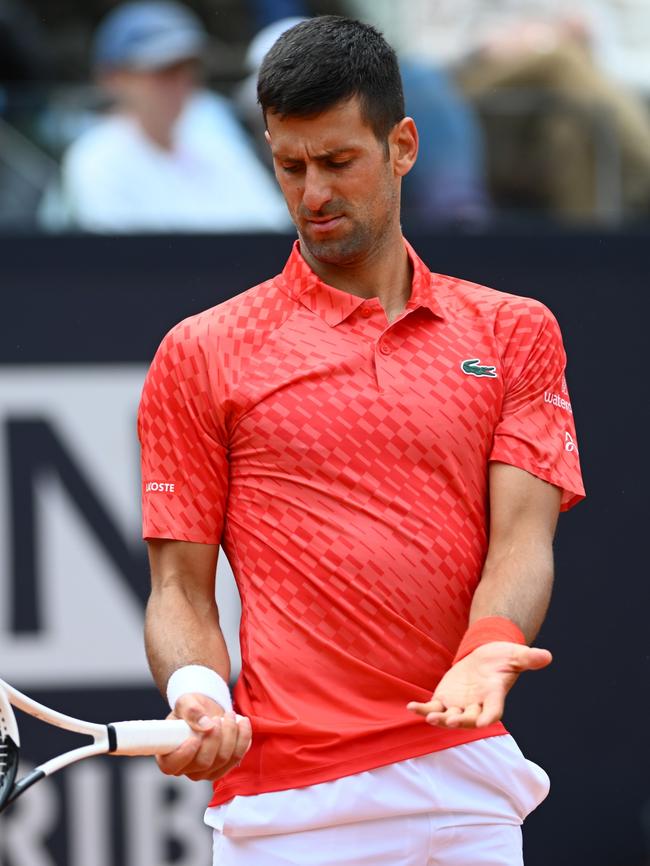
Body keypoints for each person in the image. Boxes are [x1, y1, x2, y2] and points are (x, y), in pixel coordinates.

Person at [138, 16, 585, 866]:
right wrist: (195, 691)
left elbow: (523, 538)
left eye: (339, 162)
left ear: (403, 146)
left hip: (463, 784)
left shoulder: (515, 331)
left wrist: (489, 649)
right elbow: (180, 588)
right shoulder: (203, 351)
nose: (313, 194)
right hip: (284, 812)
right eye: (290, 166)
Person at [54, 0, 290, 232]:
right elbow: (129, 259)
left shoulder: (214, 141)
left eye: (187, 69)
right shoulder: (95, 159)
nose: (180, 85)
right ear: (115, 78)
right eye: (162, 71)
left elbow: (272, 224)